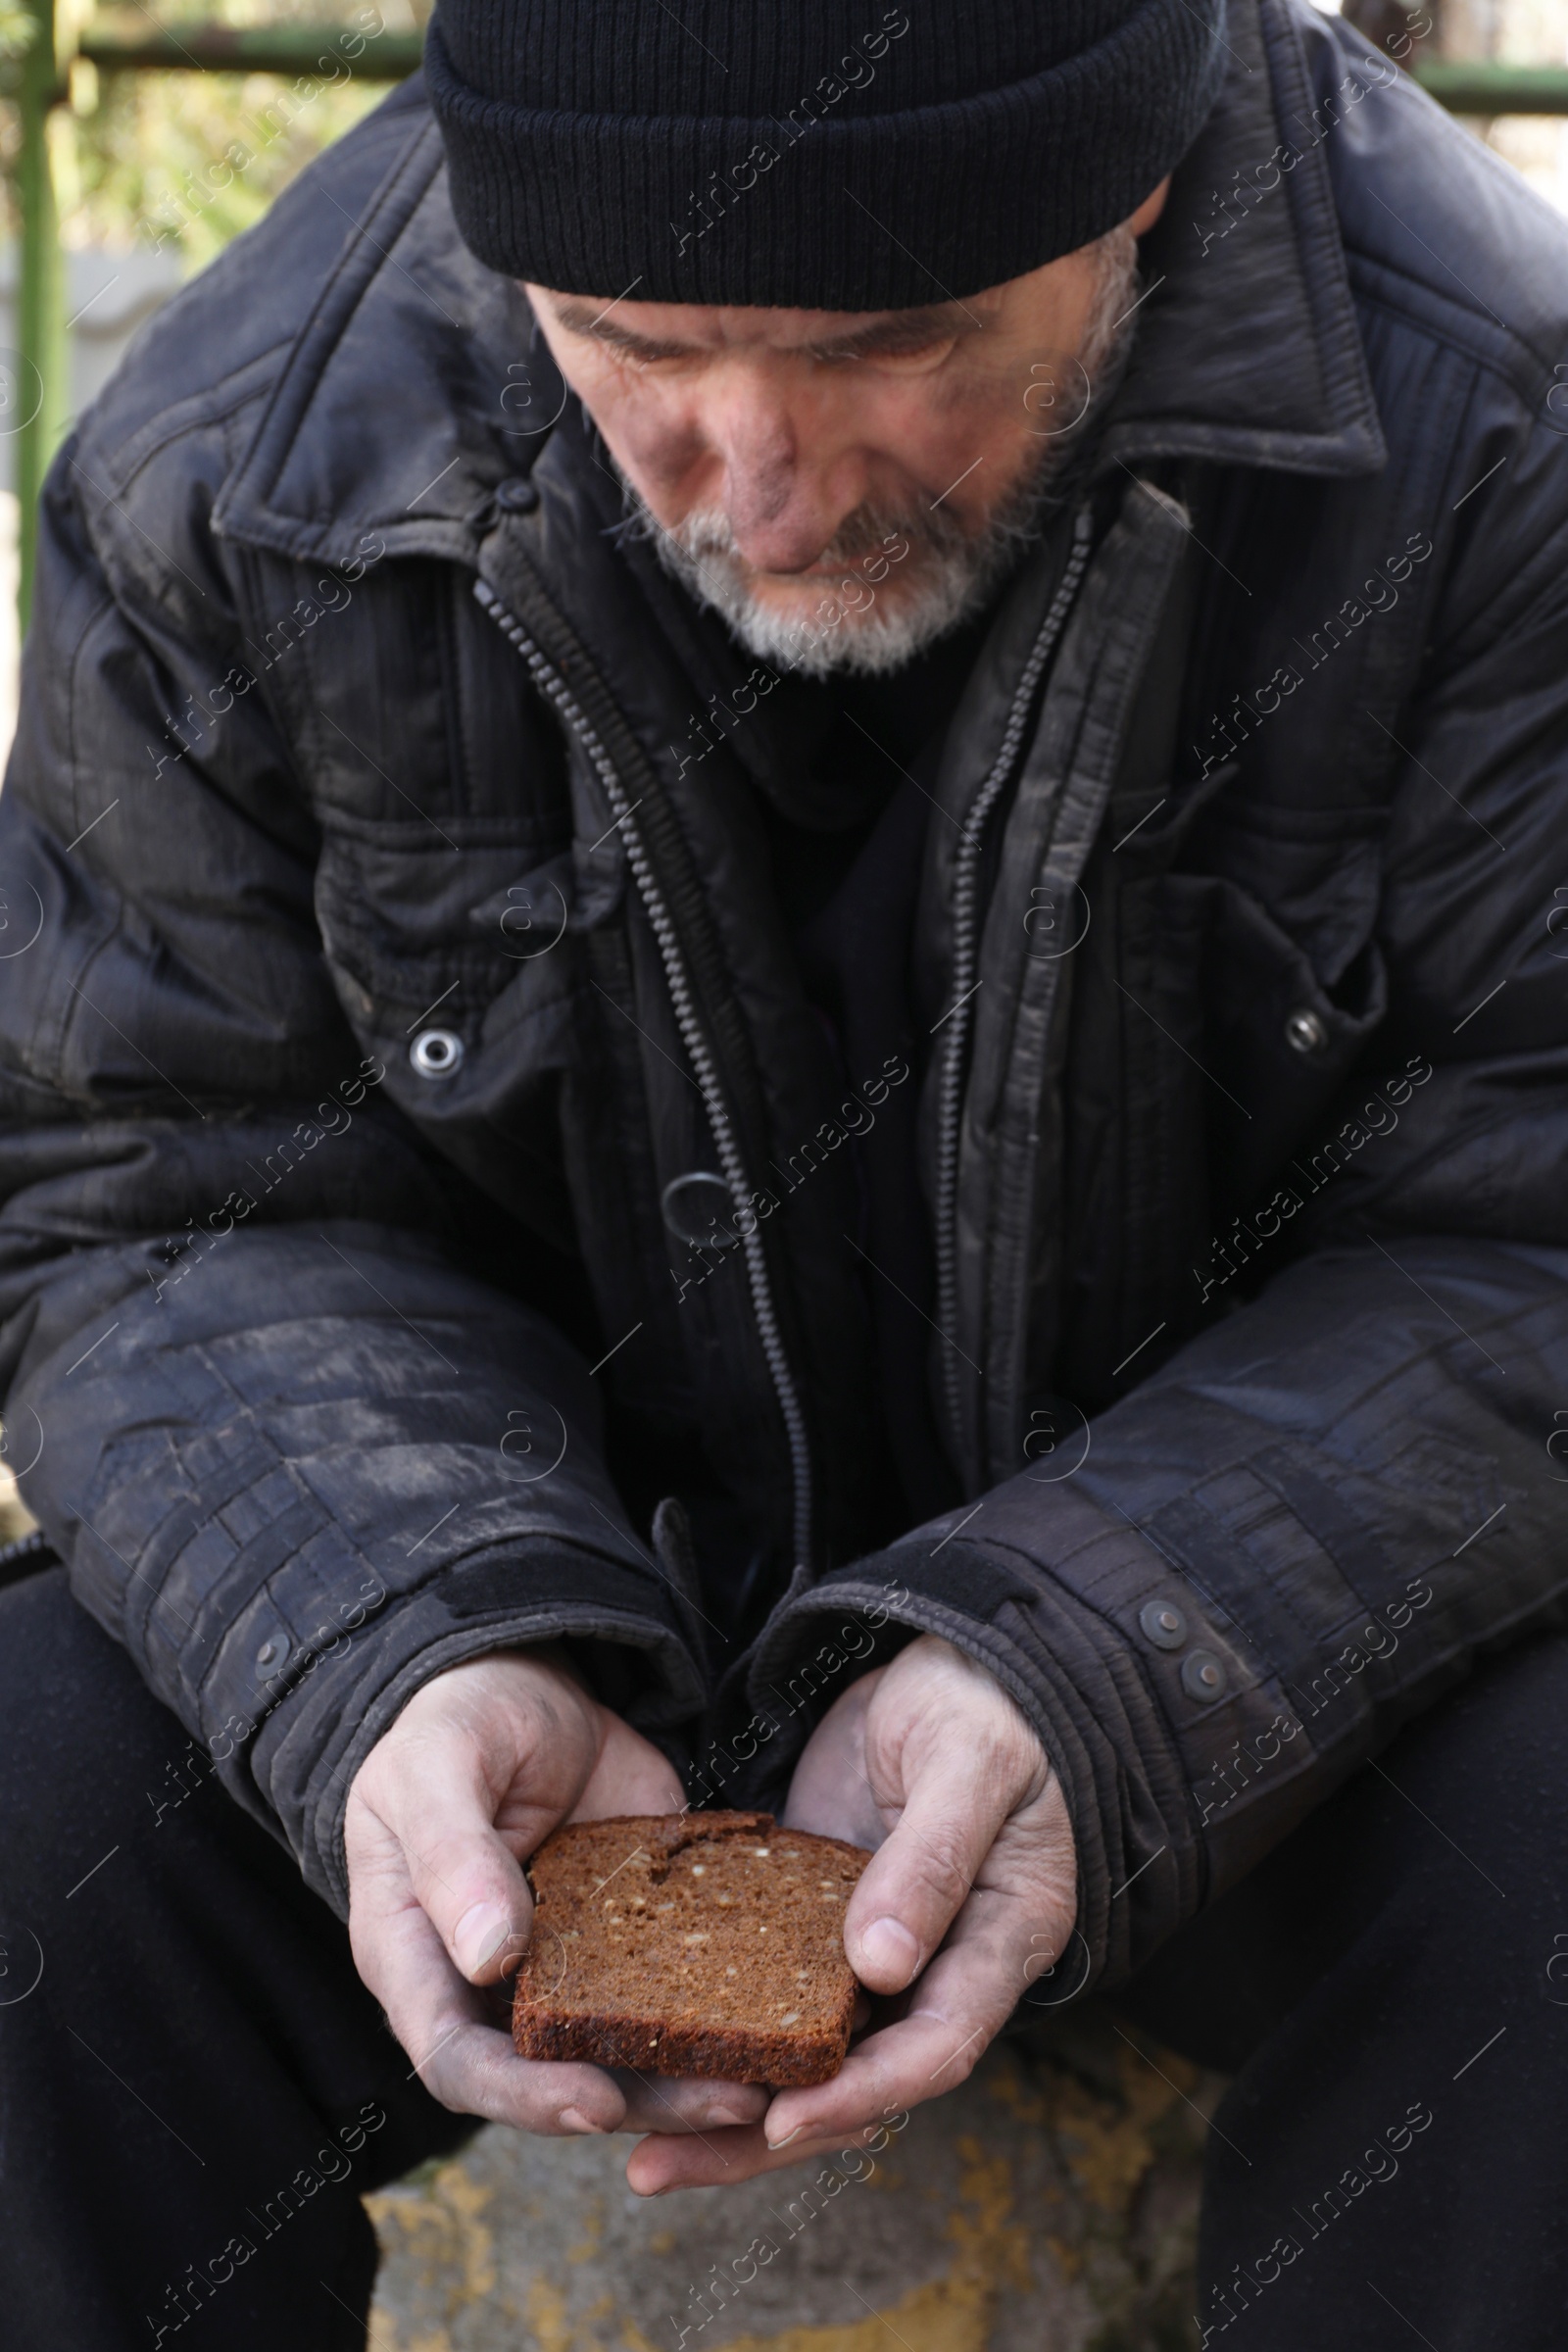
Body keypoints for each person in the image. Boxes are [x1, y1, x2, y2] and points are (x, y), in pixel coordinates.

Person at [1, 0, 1565, 2343]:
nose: (763, 481)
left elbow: (1527, 1213)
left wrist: (1082, 1672)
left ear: (1130, 188)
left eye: (894, 341)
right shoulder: (241, 462)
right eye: (631, 346)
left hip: (1261, 1686)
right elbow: (159, 1188)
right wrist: (412, 1644)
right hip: (543, 1645)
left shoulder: (1499, 440)